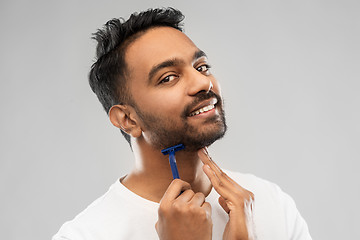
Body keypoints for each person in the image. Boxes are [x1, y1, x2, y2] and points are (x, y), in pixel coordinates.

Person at [53, 8, 312, 240]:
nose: (203, 83)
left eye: (202, 66)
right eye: (168, 78)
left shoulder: (271, 204)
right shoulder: (84, 235)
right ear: (128, 119)